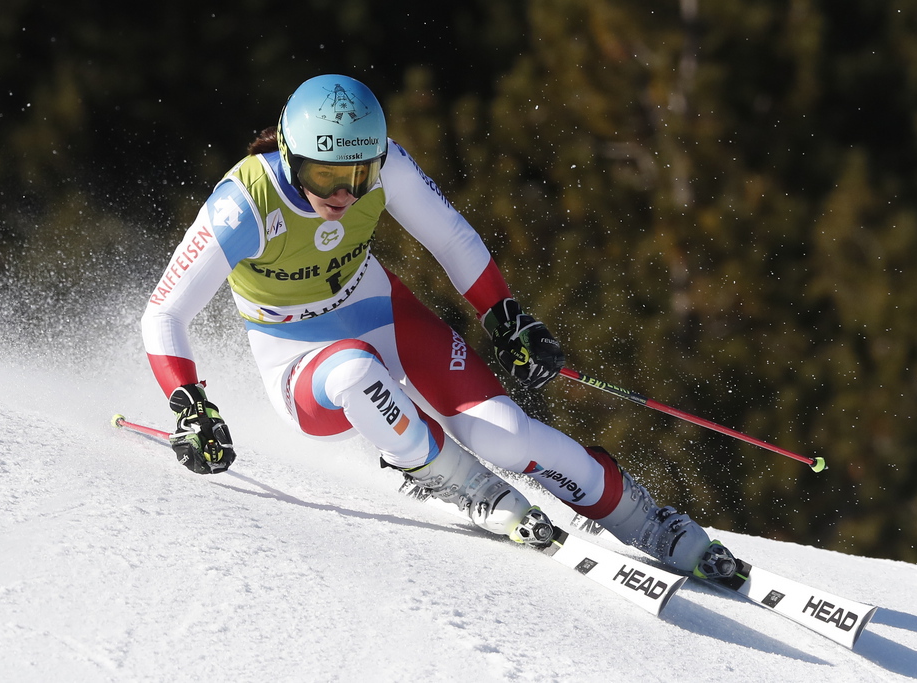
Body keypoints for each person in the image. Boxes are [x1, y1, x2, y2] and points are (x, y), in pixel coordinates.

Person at [141, 74, 736, 579]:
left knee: (508, 435)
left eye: (361, 174)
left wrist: (506, 316)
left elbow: (450, 236)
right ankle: (468, 488)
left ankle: (645, 520)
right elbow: (164, 313)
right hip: (299, 359)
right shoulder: (244, 204)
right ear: (291, 156)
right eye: (325, 177)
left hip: (383, 314)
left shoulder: (386, 167)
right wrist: (191, 406)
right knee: (355, 374)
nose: (345, 195)